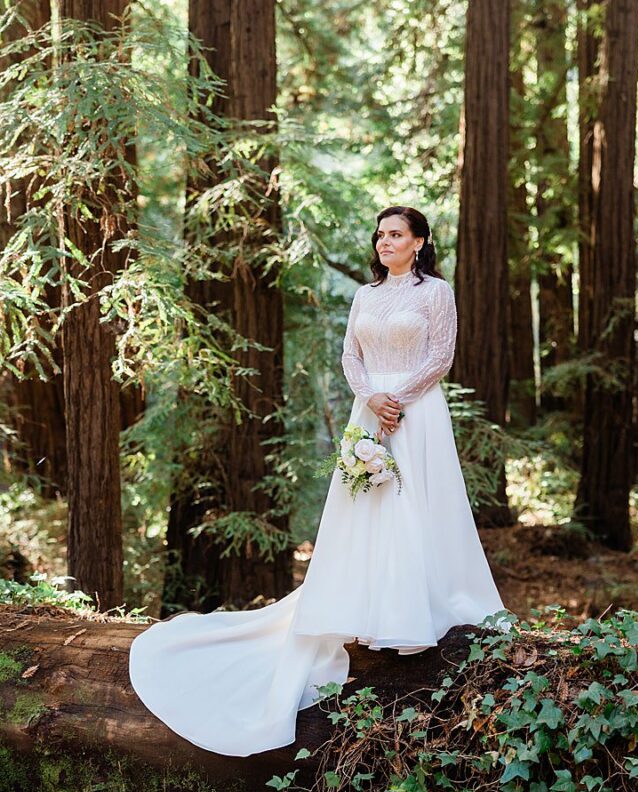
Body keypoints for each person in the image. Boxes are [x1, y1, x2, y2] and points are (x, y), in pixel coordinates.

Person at [129, 206, 506, 757]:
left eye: (396, 234)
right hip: (369, 410)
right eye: (380, 234)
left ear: (420, 243)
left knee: (414, 505)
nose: (385, 242)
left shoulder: (435, 293)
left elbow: (441, 356)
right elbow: (350, 355)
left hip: (417, 414)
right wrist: (369, 397)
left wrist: (396, 400)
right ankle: (364, 608)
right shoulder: (366, 296)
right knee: (368, 505)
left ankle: (412, 613)